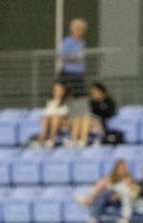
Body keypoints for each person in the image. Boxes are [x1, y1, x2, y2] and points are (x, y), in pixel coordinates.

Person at [58, 18, 90, 146]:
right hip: (70, 74)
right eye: (77, 29)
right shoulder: (67, 42)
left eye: (81, 29)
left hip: (79, 75)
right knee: (75, 107)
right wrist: (76, 59)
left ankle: (81, 138)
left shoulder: (82, 43)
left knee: (82, 106)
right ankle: (75, 137)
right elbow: (63, 57)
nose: (79, 32)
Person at [77, 159, 137, 223]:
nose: (122, 170)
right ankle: (92, 208)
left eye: (124, 168)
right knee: (102, 190)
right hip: (109, 198)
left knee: (104, 192)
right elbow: (100, 185)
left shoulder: (128, 178)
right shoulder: (110, 177)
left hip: (120, 199)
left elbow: (132, 190)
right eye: (120, 168)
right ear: (116, 168)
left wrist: (120, 194)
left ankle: (90, 204)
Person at [36, 80, 69, 147]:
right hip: (51, 120)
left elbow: (65, 113)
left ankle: (51, 140)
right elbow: (47, 112)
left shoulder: (67, 101)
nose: (56, 91)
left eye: (58, 89)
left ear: (63, 91)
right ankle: (41, 140)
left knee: (55, 117)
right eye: (55, 89)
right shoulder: (50, 101)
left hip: (63, 121)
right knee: (46, 118)